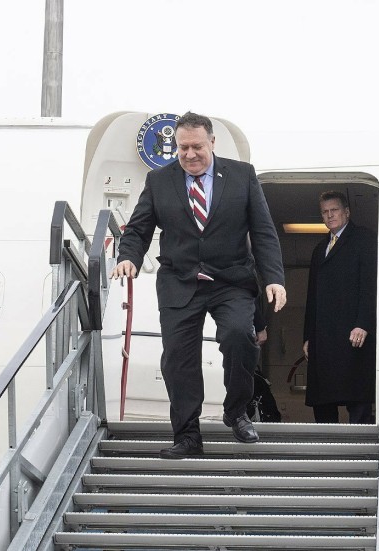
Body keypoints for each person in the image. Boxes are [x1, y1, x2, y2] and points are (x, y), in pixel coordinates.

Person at [111, 111, 286, 458]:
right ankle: (188, 435)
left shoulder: (241, 176)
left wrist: (275, 279)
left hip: (231, 280)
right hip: (179, 282)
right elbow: (139, 228)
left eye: (197, 147)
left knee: (240, 337)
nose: (189, 154)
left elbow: (263, 232)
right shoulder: (160, 180)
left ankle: (236, 412)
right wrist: (127, 257)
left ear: (212, 143)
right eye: (182, 147)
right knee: (178, 360)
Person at [302, 191, 377, 424]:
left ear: (347, 212)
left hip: (353, 333)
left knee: (357, 397)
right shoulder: (319, 249)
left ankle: (360, 450)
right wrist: (308, 337)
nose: (329, 215)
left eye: (334, 210)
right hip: (323, 336)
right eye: (325, 212)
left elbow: (370, 285)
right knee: (323, 399)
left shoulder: (364, 240)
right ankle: (325, 449)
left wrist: (363, 323)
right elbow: (311, 296)